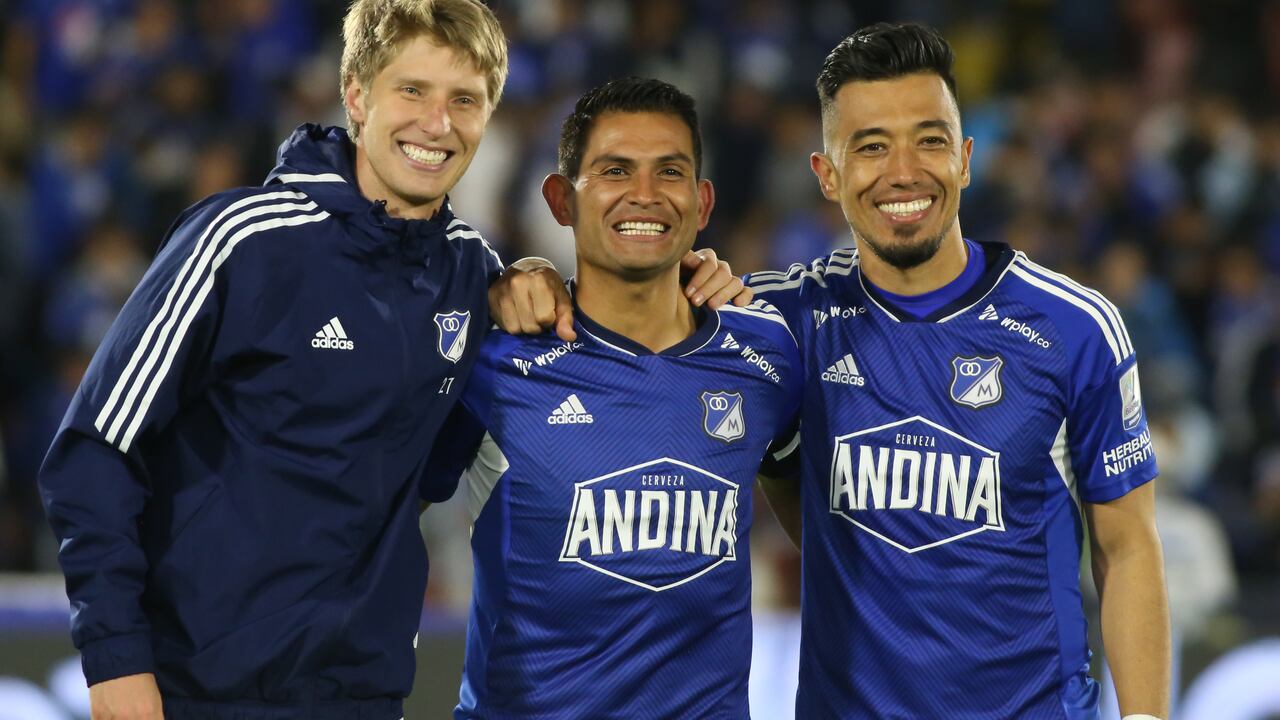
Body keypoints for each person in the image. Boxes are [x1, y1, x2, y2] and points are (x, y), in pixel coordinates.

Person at [36, 2, 747, 718]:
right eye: (413, 91)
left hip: (363, 698)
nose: (437, 124)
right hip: (193, 692)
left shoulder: (474, 278)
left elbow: (439, 467)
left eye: (464, 100)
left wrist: (685, 283)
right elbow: (92, 453)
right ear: (356, 93)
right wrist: (117, 664)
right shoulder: (241, 241)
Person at [747, 22, 1172, 720]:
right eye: (871, 146)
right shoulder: (785, 323)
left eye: (930, 140)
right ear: (827, 174)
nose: (904, 171)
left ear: (966, 158)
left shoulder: (1073, 328)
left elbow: (1126, 547)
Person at [423, 77, 802, 719]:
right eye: (614, 170)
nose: (645, 196)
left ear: (702, 202)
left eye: (670, 172)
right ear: (560, 199)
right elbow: (380, 516)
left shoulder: (767, 352)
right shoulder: (491, 356)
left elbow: (819, 529)